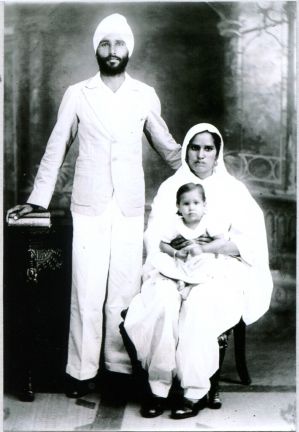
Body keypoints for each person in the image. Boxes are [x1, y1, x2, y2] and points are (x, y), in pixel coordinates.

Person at [7, 13, 182, 399]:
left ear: (129, 50)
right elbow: (56, 148)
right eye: (105, 44)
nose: (112, 50)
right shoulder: (78, 93)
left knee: (123, 290)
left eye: (119, 43)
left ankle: (117, 368)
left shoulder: (144, 95)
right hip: (88, 205)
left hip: (130, 206)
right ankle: (81, 371)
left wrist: (200, 173)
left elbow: (166, 144)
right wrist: (37, 201)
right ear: (97, 50)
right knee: (85, 291)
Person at [123, 122, 273, 419]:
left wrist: (211, 246)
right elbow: (154, 237)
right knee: (163, 304)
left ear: (217, 153)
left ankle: (194, 390)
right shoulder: (170, 188)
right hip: (173, 265)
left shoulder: (234, 190)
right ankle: (159, 388)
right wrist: (177, 249)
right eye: (194, 147)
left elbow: (250, 243)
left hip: (220, 270)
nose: (201, 155)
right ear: (186, 150)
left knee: (200, 305)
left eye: (208, 149)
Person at [148, 182, 231, 300]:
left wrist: (202, 249)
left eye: (196, 203)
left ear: (204, 205)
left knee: (209, 265)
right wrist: (175, 253)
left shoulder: (208, 221)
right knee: (161, 260)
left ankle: (189, 285)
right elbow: (162, 244)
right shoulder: (175, 223)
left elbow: (221, 241)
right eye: (186, 204)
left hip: (202, 258)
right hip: (182, 260)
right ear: (178, 206)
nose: (191, 208)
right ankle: (180, 280)